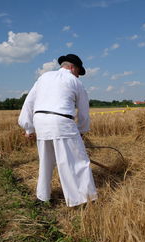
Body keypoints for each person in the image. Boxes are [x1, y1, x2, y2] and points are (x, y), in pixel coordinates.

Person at [18, 54, 97, 207]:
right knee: (77, 162)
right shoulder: (75, 82)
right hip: (62, 122)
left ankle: (43, 197)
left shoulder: (44, 77)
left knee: (46, 161)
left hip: (40, 121)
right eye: (78, 72)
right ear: (73, 67)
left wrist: (28, 128)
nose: (78, 76)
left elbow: (29, 102)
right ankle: (82, 200)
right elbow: (83, 112)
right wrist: (81, 130)